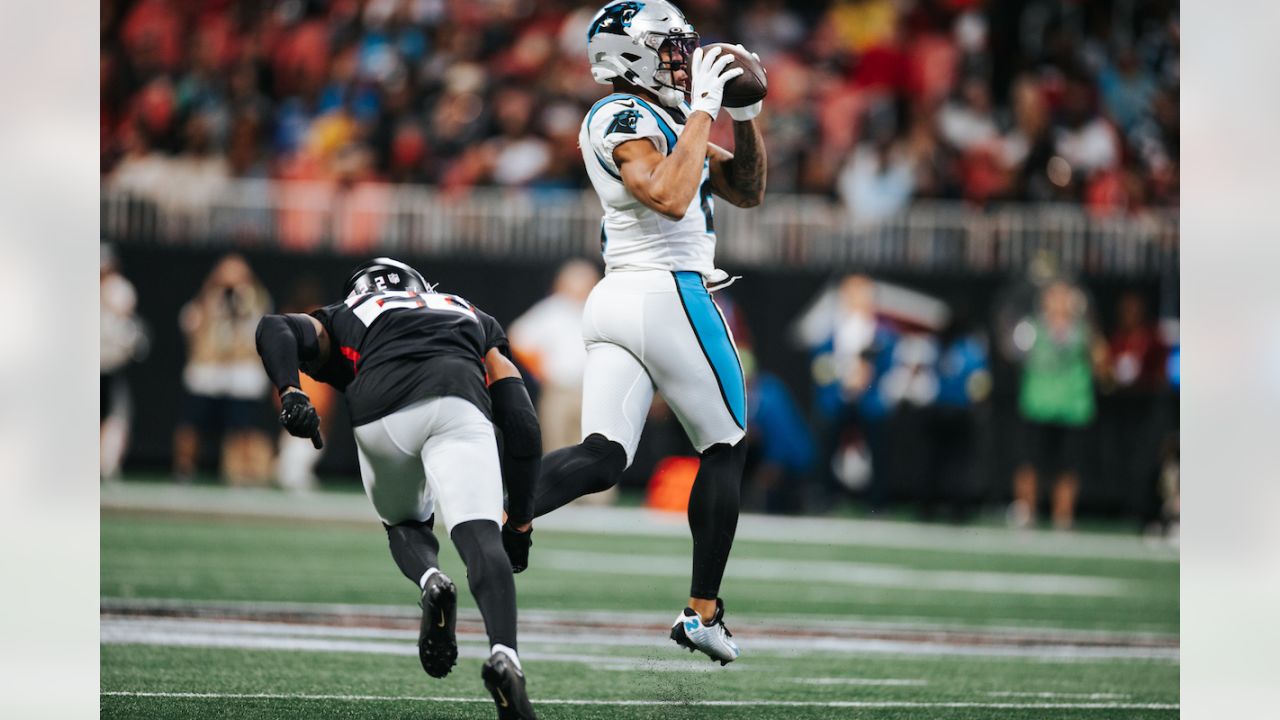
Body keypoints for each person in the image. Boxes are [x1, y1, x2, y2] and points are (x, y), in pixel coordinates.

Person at [506, 0, 768, 666]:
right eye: (672, 47)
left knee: (601, 457)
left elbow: (744, 188)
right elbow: (671, 197)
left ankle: (495, 507)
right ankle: (703, 613)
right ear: (632, 56)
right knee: (726, 445)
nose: (685, 58)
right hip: (667, 290)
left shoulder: (668, 116)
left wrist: (740, 115)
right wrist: (705, 107)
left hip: (620, 297)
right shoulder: (621, 115)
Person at [254, 258, 540, 720]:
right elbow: (522, 424)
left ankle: (431, 580)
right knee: (481, 536)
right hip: (459, 399)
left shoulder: (349, 314)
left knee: (405, 521)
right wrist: (522, 523)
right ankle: (506, 655)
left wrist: (291, 391)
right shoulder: (465, 310)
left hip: (382, 410)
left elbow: (273, 327)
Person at [1010, 279, 1107, 531]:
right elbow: (1012, 352)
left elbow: (1101, 361)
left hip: (1073, 406)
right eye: (1054, 296)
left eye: (1064, 296)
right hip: (1038, 403)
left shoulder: (1084, 330)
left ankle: (1063, 516)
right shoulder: (1030, 328)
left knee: (1068, 465)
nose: (1059, 302)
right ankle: (1026, 512)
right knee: (1030, 461)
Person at [172, 254, 274, 484]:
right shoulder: (206, 299)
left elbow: (259, 336)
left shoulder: (254, 300)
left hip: (240, 373)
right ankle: (183, 469)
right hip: (208, 372)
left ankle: (240, 472)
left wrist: (242, 306)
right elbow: (192, 329)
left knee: (241, 427)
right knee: (192, 423)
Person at [100, 244, 148, 480]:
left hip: (111, 365)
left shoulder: (119, 289)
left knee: (115, 417)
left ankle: (107, 466)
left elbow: (127, 323)